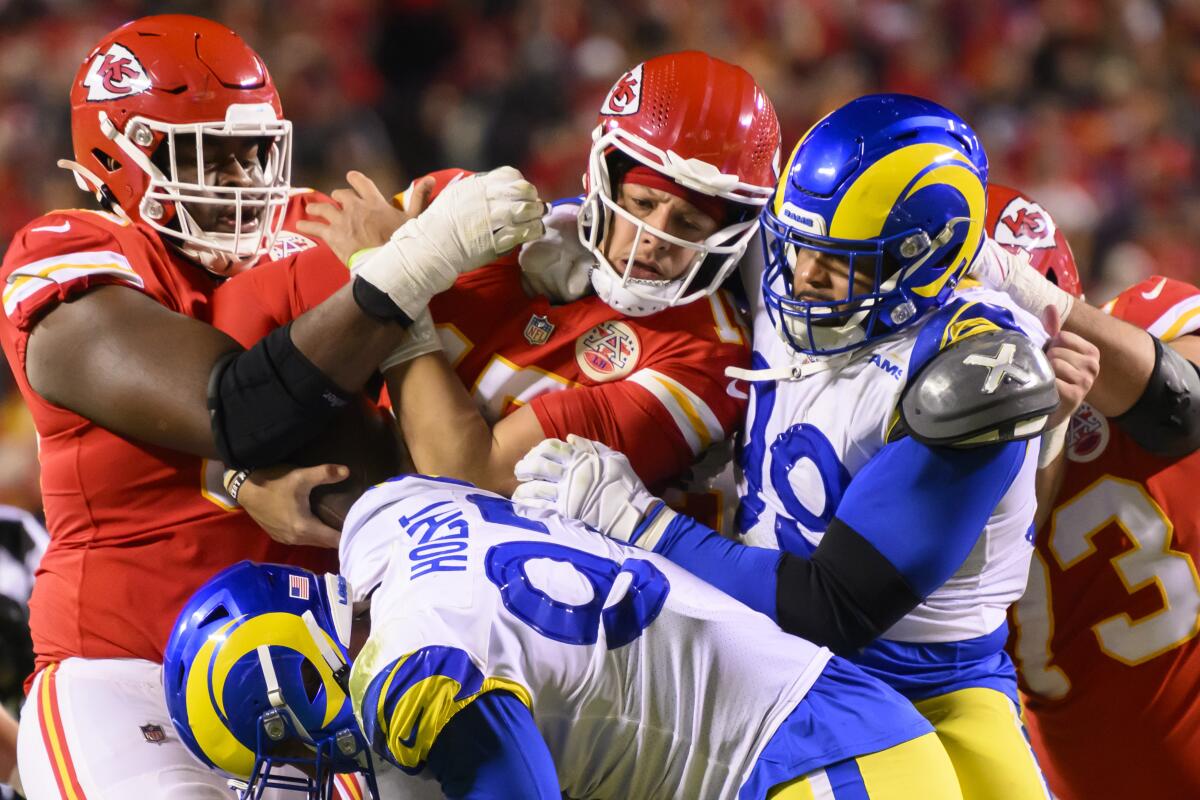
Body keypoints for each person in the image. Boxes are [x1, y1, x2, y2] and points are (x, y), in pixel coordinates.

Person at [1, 15, 542, 799]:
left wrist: (538, 240)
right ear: (117, 153)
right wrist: (404, 269)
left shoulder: (303, 230)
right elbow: (236, 408)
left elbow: (450, 208)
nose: (239, 178)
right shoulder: (68, 251)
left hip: (314, 674)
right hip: (127, 671)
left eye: (252, 151)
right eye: (206, 156)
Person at [514, 95, 1088, 800]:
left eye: (839, 263)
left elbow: (835, 607)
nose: (803, 277)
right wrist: (570, 226)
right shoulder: (784, 256)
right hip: (753, 635)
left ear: (925, 266)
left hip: (926, 678)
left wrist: (638, 523)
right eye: (797, 244)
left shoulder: (977, 368)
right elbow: (689, 210)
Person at [219, 51, 777, 541]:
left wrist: (395, 278)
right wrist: (238, 475)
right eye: (641, 203)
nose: (653, 238)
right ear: (602, 176)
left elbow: (466, 480)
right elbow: (255, 306)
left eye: (688, 221)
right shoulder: (470, 213)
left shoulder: (706, 357)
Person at [164, 477, 966, 800]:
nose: (317, 767)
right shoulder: (386, 519)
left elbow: (516, 780)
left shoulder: (406, 669)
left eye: (294, 749)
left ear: (295, 678)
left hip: (814, 763)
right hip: (826, 730)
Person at [972, 188, 1200, 799]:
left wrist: (1053, 313)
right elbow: (1001, 550)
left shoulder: (1139, 322)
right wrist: (1044, 425)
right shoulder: (907, 449)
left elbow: (1186, 404)